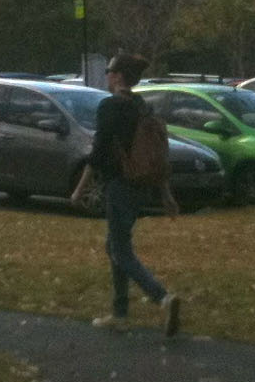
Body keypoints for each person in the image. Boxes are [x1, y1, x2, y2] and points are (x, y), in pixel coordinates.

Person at [74, 52, 181, 335]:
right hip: (141, 186)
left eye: (109, 70)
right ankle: (120, 311)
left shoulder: (110, 107)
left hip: (119, 185)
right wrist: (166, 194)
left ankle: (163, 298)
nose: (107, 75)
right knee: (116, 246)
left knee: (119, 249)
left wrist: (79, 190)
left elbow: (98, 152)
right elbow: (156, 156)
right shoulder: (141, 106)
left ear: (118, 76)